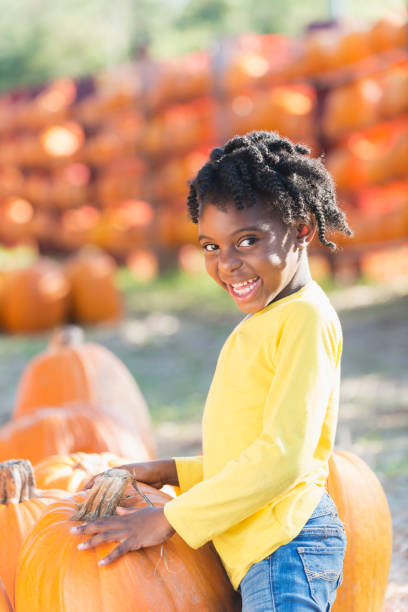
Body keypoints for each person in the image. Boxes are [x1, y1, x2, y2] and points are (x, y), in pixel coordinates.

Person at [72, 130, 352, 611]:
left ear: (302, 230)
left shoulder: (305, 317)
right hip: (261, 548)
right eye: (210, 247)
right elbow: (244, 457)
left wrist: (169, 519)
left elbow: (283, 458)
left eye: (247, 240)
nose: (228, 265)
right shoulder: (260, 323)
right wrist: (167, 471)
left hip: (287, 546)